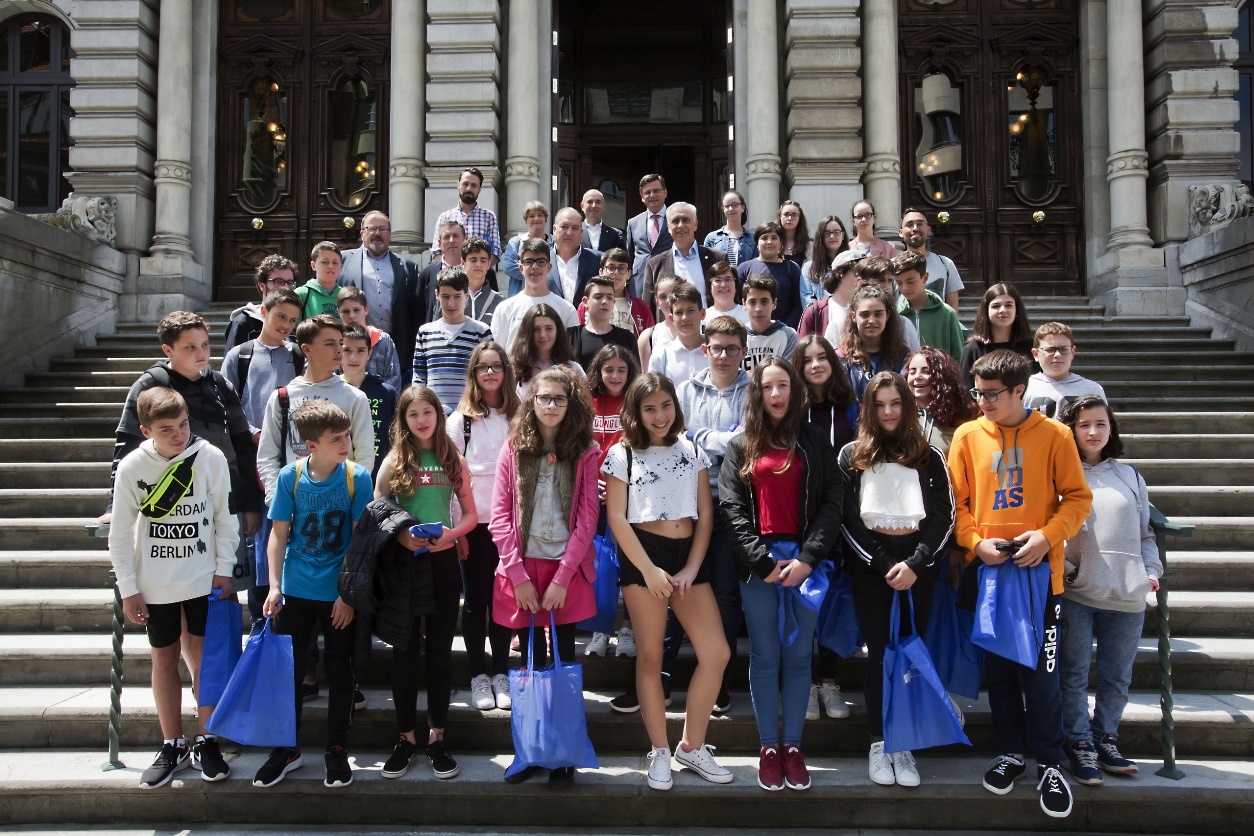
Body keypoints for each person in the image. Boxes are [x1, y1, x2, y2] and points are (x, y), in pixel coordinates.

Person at [947, 350, 1093, 820]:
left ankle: (1051, 762)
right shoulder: (968, 436)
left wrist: (1047, 536)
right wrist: (974, 543)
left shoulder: (1056, 435)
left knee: (1042, 675)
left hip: (1040, 578)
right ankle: (1011, 752)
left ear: (1019, 391)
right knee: (1002, 673)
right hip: (991, 575)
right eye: (978, 392)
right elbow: (957, 503)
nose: (982, 402)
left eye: (992, 394)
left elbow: (1077, 498)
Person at [603, 373, 733, 791]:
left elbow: (705, 514)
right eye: (649, 408)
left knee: (716, 653)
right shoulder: (622, 453)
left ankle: (691, 746)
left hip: (687, 561)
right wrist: (647, 570)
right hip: (644, 557)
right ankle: (659, 749)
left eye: (665, 405)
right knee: (650, 659)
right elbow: (617, 518)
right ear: (636, 412)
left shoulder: (691, 449)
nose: (659, 416)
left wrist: (693, 567)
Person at [720, 357, 843, 792]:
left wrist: (808, 557)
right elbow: (732, 510)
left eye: (783, 386)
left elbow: (832, 501)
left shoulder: (812, 441)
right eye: (767, 387)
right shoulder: (741, 446)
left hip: (806, 566)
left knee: (798, 658)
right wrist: (762, 561)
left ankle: (793, 746)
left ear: (795, 391)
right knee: (765, 656)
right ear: (757, 393)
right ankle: (768, 747)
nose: (775, 394)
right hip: (760, 568)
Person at [109, 388, 237, 788]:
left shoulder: (210, 457)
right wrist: (128, 588)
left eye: (183, 425)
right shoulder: (132, 467)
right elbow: (119, 533)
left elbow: (224, 518)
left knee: (202, 659)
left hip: (202, 578)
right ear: (146, 430)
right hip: (154, 583)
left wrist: (224, 568)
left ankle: (207, 739)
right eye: (167, 430)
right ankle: (171, 743)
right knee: (163, 658)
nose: (178, 434)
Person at [838, 372, 954, 788]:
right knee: (881, 654)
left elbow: (944, 518)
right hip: (873, 570)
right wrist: (884, 563)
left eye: (896, 403)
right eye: (880, 404)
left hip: (917, 570)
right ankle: (878, 740)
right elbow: (848, 520)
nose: (888, 412)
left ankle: (902, 744)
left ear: (907, 406)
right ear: (869, 409)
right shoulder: (853, 455)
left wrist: (916, 564)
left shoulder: (929, 455)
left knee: (908, 652)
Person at [489, 365, 601, 786]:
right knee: (531, 661)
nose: (550, 405)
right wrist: (516, 574)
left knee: (564, 658)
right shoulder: (514, 447)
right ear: (530, 402)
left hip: (564, 569)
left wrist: (562, 577)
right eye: (543, 398)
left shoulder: (586, 450)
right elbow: (499, 517)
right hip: (524, 566)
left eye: (559, 398)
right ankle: (533, 749)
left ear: (571, 404)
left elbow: (588, 519)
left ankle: (564, 752)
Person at [101, 312, 261, 596]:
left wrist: (249, 502)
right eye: (190, 347)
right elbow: (125, 450)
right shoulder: (150, 385)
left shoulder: (221, 385)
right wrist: (115, 507)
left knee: (226, 589)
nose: (201, 353)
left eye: (204, 345)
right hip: (176, 507)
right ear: (168, 350)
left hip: (226, 499)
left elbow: (243, 446)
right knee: (183, 597)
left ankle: (220, 642)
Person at [256, 400, 372, 789]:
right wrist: (274, 586)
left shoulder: (357, 477)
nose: (345, 444)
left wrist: (348, 595)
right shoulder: (291, 477)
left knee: (340, 671)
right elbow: (277, 533)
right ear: (310, 445)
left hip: (337, 593)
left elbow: (360, 542)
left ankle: (336, 749)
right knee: (289, 673)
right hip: (297, 589)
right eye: (336, 439)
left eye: (347, 436)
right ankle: (286, 748)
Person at [375, 385, 478, 781]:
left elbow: (471, 514)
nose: (421, 420)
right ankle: (405, 738)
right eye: (413, 414)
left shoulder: (452, 457)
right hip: (403, 567)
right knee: (403, 653)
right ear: (403, 420)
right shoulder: (395, 460)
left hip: (443, 565)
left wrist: (452, 535)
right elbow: (377, 509)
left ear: (438, 414)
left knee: (438, 653)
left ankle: (436, 737)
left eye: (428, 412)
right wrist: (401, 536)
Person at [1057, 395, 1160, 784]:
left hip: (1128, 594)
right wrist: (1070, 573)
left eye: (1100, 423)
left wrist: (1150, 571)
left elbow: (1145, 534)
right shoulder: (1061, 474)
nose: (1093, 431)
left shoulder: (1130, 475)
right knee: (1074, 674)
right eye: (1084, 425)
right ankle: (1079, 743)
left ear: (1111, 427)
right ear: (1072, 430)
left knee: (1118, 676)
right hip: (1079, 594)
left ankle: (1106, 738)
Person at [222, 289, 306, 616]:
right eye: (280, 316)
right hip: (251, 463)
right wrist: (256, 433)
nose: (285, 324)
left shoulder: (298, 356)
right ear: (263, 312)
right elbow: (228, 406)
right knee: (259, 545)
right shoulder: (240, 357)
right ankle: (262, 620)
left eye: (292, 320)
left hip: (291, 463)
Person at [448, 341, 520, 709]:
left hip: (510, 525)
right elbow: (451, 478)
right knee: (476, 600)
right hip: (474, 524)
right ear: (473, 374)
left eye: (496, 366)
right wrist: (458, 528)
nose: (490, 373)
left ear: (506, 372)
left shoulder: (519, 414)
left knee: (504, 598)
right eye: (482, 367)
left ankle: (501, 673)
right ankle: (478, 675)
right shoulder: (460, 419)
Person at [792, 334, 859, 722]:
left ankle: (828, 681)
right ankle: (804, 683)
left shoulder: (849, 407)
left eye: (823, 358)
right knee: (803, 602)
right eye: (808, 359)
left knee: (831, 600)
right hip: (799, 517)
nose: (816, 365)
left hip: (843, 516)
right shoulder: (790, 409)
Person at [256, 315, 376, 507]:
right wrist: (278, 503)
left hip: (341, 505)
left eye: (340, 343)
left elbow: (364, 455)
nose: (339, 350)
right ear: (306, 349)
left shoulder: (355, 397)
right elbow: (268, 456)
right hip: (295, 503)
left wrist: (352, 498)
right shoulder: (281, 398)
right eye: (329, 344)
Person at [584, 343, 641, 659]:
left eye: (621, 369)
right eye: (609, 369)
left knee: (630, 566)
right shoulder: (587, 403)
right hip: (595, 496)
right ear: (598, 371)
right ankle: (599, 631)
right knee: (599, 566)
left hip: (630, 496)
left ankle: (628, 630)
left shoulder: (635, 401)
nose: (615, 375)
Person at [339, 210, 421, 374]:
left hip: (395, 345)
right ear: (362, 233)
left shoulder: (407, 267)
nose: (377, 233)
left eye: (383, 229)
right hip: (353, 344)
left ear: (389, 234)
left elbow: (414, 312)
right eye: (372, 228)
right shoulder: (342, 260)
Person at [411, 265, 493, 409]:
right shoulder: (425, 332)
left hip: (470, 413)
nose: (451, 303)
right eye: (445, 296)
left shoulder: (481, 332)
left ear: (466, 296)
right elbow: (419, 379)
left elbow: (488, 376)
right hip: (434, 416)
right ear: (437, 295)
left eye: (457, 296)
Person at [490, 238, 579, 354]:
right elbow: (497, 352)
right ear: (521, 268)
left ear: (549, 267)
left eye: (541, 262)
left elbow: (571, 354)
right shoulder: (504, 309)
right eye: (529, 262)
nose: (535, 267)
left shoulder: (566, 309)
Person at [340, 325, 398, 481]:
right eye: (347, 350)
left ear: (369, 353)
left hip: (379, 477)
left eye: (360, 351)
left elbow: (396, 438)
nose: (354, 357)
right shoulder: (330, 390)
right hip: (337, 477)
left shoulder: (387, 393)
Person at [959, 282, 1038, 390]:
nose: (1003, 310)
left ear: (1017, 310)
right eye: (996, 306)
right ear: (986, 311)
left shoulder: (1032, 348)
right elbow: (966, 392)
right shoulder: (972, 350)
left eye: (1009, 305)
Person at [838, 285, 911, 401]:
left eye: (878, 314)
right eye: (865, 315)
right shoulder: (842, 357)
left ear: (887, 316)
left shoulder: (901, 355)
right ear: (853, 316)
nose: (871, 320)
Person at [642, 202, 720, 308]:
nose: (680, 225)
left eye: (686, 220)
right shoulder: (654, 265)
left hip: (709, 324)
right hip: (669, 324)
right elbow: (647, 308)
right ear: (669, 227)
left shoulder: (717, 258)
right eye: (675, 221)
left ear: (695, 224)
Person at [1024, 322, 1108, 419]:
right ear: (1035, 354)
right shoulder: (1024, 388)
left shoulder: (1092, 390)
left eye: (1063, 349)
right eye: (1050, 350)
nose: (1057, 355)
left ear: (1072, 352)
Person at [892, 251, 964, 362]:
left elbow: (959, 356)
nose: (905, 288)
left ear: (925, 278)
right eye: (899, 283)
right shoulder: (895, 315)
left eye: (910, 281)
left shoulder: (947, 314)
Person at [906, 346, 978, 453]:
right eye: (912, 372)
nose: (917, 377)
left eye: (926, 371)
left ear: (942, 377)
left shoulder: (962, 417)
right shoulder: (902, 415)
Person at [225, 254, 298, 353]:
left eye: (289, 283)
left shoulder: (291, 325)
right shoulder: (243, 323)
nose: (285, 287)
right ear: (262, 286)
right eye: (278, 281)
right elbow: (232, 365)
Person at [336, 286, 403, 393]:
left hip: (378, 402)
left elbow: (394, 377)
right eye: (346, 311)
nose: (351, 316)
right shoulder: (337, 341)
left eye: (356, 310)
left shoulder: (383, 340)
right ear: (338, 312)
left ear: (366, 309)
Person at [850, 256, 923, 354]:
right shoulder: (839, 323)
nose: (887, 287)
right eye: (880, 280)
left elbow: (915, 360)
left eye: (889, 281)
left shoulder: (904, 324)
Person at [431, 166, 502, 266]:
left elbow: (495, 252)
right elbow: (436, 252)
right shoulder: (445, 218)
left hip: (479, 278)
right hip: (450, 278)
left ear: (479, 189)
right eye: (465, 184)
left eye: (473, 185)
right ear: (458, 185)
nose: (469, 188)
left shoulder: (489, 217)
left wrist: (477, 271)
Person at [737, 222, 803, 328]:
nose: (769, 242)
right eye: (764, 238)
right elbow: (737, 303)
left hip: (784, 334)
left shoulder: (792, 268)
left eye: (774, 238)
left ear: (781, 242)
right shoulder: (744, 269)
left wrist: (785, 330)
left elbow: (798, 305)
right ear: (757, 243)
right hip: (751, 334)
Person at [511, 302, 587, 393]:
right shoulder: (514, 368)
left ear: (557, 331)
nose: (543, 335)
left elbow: (585, 404)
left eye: (549, 328)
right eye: (536, 329)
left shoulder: (573, 369)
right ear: (527, 333)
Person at [578, 247, 655, 336]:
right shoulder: (586, 305)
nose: (616, 272)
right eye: (611, 267)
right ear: (601, 272)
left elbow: (649, 339)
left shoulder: (641, 307)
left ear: (629, 274)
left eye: (622, 268)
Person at [899, 208, 964, 313]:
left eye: (920, 224)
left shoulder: (946, 264)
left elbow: (953, 309)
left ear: (928, 230)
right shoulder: (892, 266)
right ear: (900, 232)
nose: (915, 228)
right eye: (909, 225)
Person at [569, 275, 638, 370]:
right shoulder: (570, 336)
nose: (605, 301)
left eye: (609, 298)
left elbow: (635, 377)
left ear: (614, 302)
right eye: (598, 297)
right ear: (585, 301)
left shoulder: (627, 338)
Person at [648, 281, 708, 386]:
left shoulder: (716, 352)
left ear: (702, 313)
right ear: (672, 318)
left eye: (690, 311)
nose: (685, 318)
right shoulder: (661, 355)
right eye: (679, 313)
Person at [625, 173, 673, 298]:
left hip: (668, 281)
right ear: (642, 196)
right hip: (639, 283)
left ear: (665, 193)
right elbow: (629, 255)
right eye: (647, 192)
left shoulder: (676, 219)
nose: (652, 195)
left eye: (656, 190)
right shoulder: (633, 222)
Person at [742, 273, 799, 371]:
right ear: (744, 304)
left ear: (774, 303)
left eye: (764, 302)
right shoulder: (737, 336)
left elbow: (785, 375)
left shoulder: (788, 335)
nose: (758, 309)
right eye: (752, 302)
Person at [550, 206, 604, 305]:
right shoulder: (542, 261)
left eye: (575, 228)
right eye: (564, 226)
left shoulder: (598, 260)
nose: (569, 232)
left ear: (581, 232)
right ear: (554, 229)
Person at [806, 250, 862, 340]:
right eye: (858, 272)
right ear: (840, 273)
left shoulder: (870, 310)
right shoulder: (816, 311)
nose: (862, 277)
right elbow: (802, 350)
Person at [503, 200, 553, 296]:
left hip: (547, 297)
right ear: (526, 221)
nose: (536, 218)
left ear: (546, 219)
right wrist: (539, 275)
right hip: (519, 298)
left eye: (540, 215)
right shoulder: (516, 242)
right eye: (531, 216)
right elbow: (508, 267)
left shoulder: (554, 243)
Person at [800, 215, 849, 311]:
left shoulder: (853, 265)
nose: (832, 236)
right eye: (827, 233)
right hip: (821, 321)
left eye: (836, 232)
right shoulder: (809, 268)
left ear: (842, 235)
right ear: (821, 237)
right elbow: (808, 303)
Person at [637, 275, 681, 371]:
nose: (669, 300)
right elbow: (646, 378)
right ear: (657, 302)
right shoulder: (648, 337)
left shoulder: (702, 330)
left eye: (674, 294)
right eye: (663, 297)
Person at [703, 189, 756, 268]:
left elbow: (756, 266)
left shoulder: (753, 238)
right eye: (727, 206)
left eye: (734, 205)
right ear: (723, 209)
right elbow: (706, 265)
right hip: (720, 279)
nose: (731, 209)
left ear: (742, 208)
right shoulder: (711, 238)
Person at [296, 241, 344, 321]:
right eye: (325, 262)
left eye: (335, 263)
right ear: (313, 265)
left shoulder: (345, 296)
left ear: (341, 267)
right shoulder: (302, 294)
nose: (331, 266)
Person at [462, 236, 504, 328]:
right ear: (463, 263)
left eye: (483, 260)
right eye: (473, 260)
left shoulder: (500, 302)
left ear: (489, 264)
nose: (478, 264)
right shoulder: (450, 298)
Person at [580, 187, 626, 252]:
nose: (593, 206)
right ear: (582, 206)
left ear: (604, 206)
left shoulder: (616, 235)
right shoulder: (575, 232)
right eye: (589, 202)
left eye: (598, 202)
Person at [703, 261, 749, 325]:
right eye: (718, 280)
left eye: (728, 279)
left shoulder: (748, 314)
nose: (723, 285)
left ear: (736, 284)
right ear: (709, 285)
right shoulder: (703, 317)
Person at [777, 199, 811, 270]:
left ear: (799, 218)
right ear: (780, 217)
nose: (789, 218)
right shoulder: (773, 241)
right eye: (786, 214)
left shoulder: (809, 245)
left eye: (794, 215)